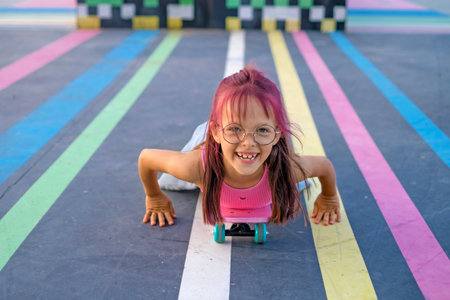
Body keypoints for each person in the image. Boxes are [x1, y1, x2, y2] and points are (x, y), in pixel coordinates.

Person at [138, 66, 341, 228]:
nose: (248, 143)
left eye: (262, 130)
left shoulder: (290, 170)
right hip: (209, 141)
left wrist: (329, 196)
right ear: (216, 131)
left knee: (290, 181)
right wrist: (154, 196)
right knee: (170, 183)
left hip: (251, 146)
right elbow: (147, 158)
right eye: (237, 128)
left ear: (278, 133)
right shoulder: (195, 167)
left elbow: (324, 167)